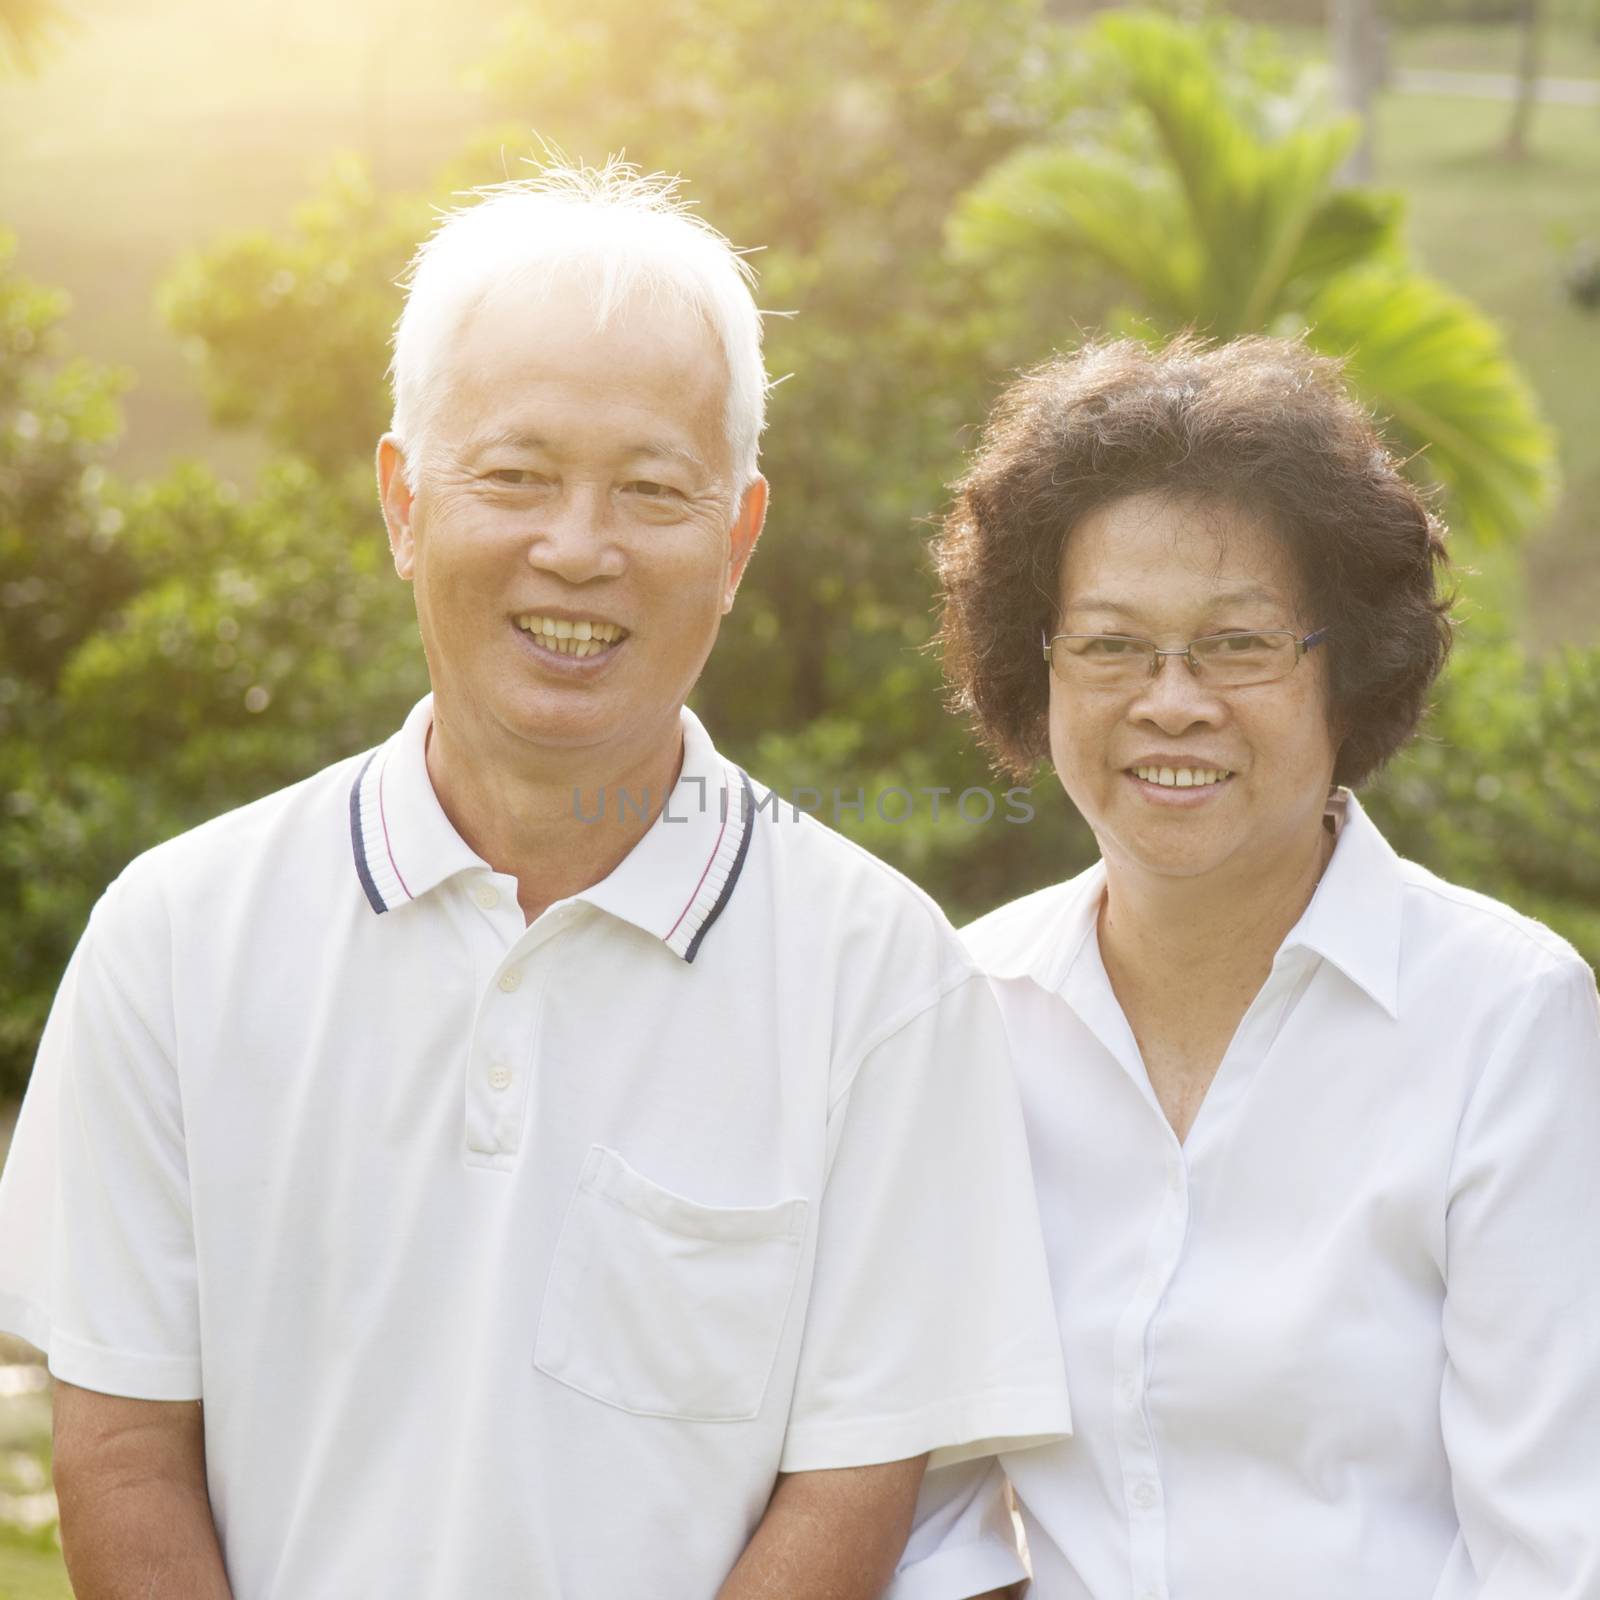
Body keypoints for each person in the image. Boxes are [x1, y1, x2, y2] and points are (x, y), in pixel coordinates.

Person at [0, 162, 1073, 1598]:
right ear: (403, 500)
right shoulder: (176, 936)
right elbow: (123, 1452)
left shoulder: (880, 974)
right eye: (513, 476)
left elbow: (853, 1493)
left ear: (738, 539)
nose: (578, 548)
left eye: (651, 489)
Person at [889, 335, 1600, 1600]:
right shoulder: (960, 1006)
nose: (1172, 701)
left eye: (1237, 644)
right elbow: (929, 1507)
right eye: (1110, 645)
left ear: (1351, 668)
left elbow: (1553, 1541)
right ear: (1033, 666)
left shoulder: (1502, 1016)